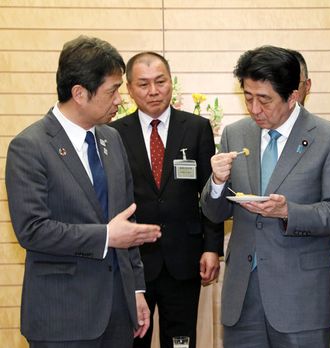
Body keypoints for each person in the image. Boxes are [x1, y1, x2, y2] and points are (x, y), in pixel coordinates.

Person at [5, 36, 162, 348]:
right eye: (113, 90)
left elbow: (125, 224)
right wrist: (105, 236)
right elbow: (32, 230)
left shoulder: (112, 140)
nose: (121, 99)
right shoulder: (29, 147)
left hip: (118, 313)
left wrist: (136, 291)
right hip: (63, 317)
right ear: (79, 93)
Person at [200, 45, 330, 348]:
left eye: (264, 100)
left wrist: (289, 212)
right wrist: (218, 182)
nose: (255, 109)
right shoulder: (236, 134)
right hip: (243, 293)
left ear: (292, 96)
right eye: (248, 97)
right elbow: (214, 212)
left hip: (301, 297)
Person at [110, 52, 224, 348]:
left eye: (160, 82)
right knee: (134, 338)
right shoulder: (113, 134)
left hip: (184, 257)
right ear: (130, 89)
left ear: (171, 83)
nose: (153, 91)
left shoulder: (196, 128)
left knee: (181, 341)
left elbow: (209, 192)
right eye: (144, 84)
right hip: (134, 260)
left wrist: (212, 247)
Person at [289, 48, 330, 248]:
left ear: (307, 85)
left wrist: (288, 211)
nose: (290, 92)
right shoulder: (251, 135)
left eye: (295, 84)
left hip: (315, 248)